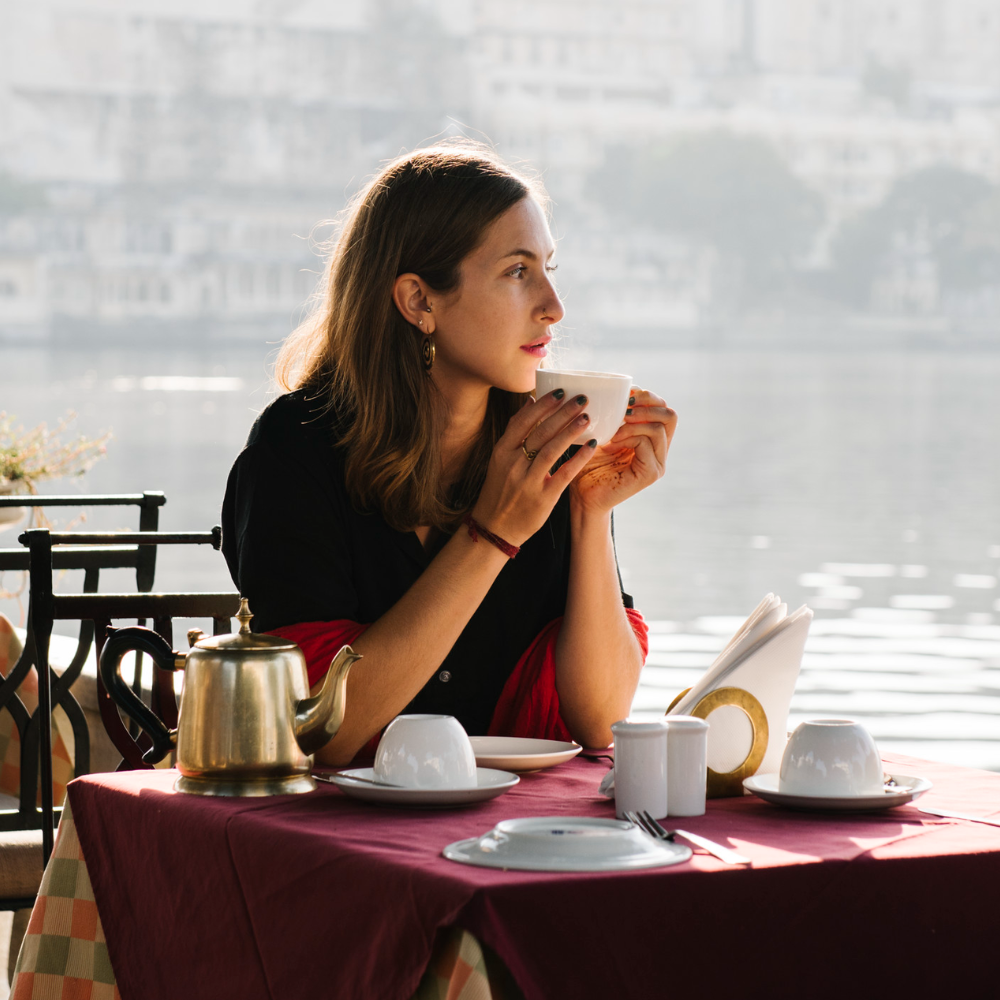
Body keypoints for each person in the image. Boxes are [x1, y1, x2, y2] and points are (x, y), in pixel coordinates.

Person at [221, 142, 677, 766]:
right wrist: (492, 534)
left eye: (549, 267)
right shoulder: (296, 448)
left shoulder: (547, 447)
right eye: (518, 272)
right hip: (347, 838)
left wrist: (589, 511)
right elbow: (324, 732)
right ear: (419, 301)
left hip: (523, 836)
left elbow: (600, 720)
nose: (554, 306)